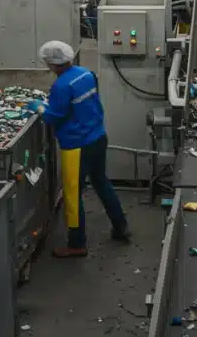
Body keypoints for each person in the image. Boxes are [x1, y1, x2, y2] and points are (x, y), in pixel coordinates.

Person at [38, 40, 130, 258]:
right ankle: (120, 226)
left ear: (52, 64)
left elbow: (54, 117)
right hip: (98, 137)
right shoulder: (85, 74)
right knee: (101, 182)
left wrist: (39, 107)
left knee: (72, 194)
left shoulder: (61, 86)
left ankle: (76, 243)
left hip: (76, 147)